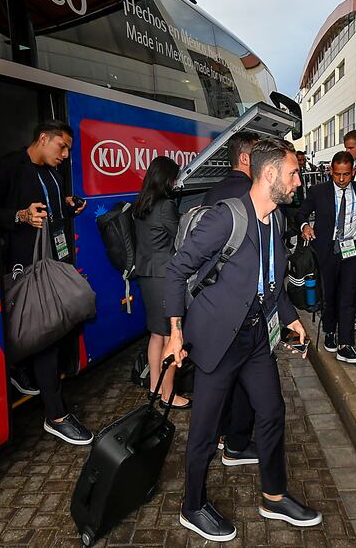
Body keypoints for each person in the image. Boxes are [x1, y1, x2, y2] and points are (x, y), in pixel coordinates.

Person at [164, 139, 320, 541]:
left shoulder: (278, 221)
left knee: (271, 411)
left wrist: (291, 319)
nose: (298, 181)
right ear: (270, 175)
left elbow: (271, 283)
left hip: (255, 338)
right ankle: (192, 505)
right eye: (293, 173)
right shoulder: (226, 218)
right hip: (218, 340)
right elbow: (176, 270)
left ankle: (274, 494)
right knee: (205, 427)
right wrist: (175, 331)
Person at [0, 120, 94, 445]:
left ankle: (22, 367)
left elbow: (51, 209)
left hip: (57, 262)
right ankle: (56, 415)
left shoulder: (53, 174)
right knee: (48, 333)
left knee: (77, 315)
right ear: (42, 138)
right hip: (26, 267)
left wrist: (67, 206)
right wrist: (19, 216)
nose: (65, 155)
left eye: (68, 149)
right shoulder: (10, 167)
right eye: (61, 146)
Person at [202, 130, 261, 467]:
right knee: (242, 380)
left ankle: (221, 434)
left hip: (214, 301)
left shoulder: (212, 192)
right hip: (243, 303)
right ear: (244, 158)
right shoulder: (249, 194)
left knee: (221, 374)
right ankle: (236, 443)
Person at [297, 151, 356, 363]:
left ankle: (345, 344)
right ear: (331, 171)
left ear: (353, 171)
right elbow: (301, 212)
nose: (341, 179)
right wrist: (305, 225)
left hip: (353, 250)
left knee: (348, 297)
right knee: (330, 295)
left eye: (346, 174)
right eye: (337, 174)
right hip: (328, 251)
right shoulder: (318, 191)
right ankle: (329, 330)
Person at [132, 156, 190, 409]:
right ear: (166, 178)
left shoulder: (141, 204)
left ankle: (155, 388)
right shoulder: (165, 205)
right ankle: (167, 395)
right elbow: (180, 237)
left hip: (146, 274)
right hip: (163, 276)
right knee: (169, 337)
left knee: (156, 335)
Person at [204, 131, 259, 206]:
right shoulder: (253, 191)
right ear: (244, 159)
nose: (262, 160)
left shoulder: (211, 192)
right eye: (258, 155)